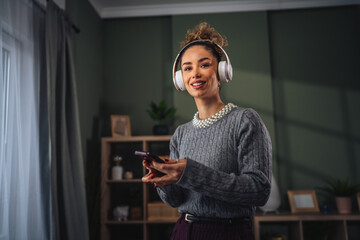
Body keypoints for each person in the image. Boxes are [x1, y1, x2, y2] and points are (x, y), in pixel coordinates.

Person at [142, 22, 272, 240]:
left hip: (228, 232)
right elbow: (177, 200)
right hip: (183, 231)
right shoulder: (180, 134)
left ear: (222, 70)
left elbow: (259, 190)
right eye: (187, 68)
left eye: (204, 65)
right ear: (180, 79)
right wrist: (163, 180)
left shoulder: (245, 120)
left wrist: (190, 173)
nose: (195, 74)